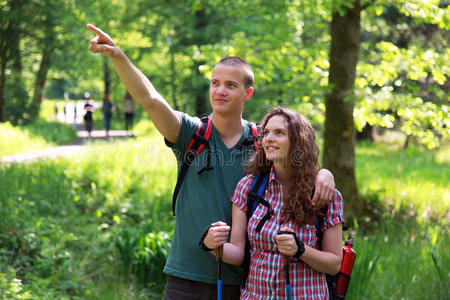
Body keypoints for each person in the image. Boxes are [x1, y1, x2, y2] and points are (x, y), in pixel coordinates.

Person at [87, 23, 336, 300]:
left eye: (231, 85)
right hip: (186, 276)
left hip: (245, 281)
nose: (220, 91)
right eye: (215, 83)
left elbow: (297, 169)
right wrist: (118, 56)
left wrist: (324, 173)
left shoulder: (263, 142)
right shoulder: (191, 134)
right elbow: (150, 100)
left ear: (247, 93)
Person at [202, 107, 344, 299]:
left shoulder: (324, 194)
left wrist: (300, 250)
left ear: (299, 141)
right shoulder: (248, 188)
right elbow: (238, 253)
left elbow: (334, 264)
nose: (269, 138)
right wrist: (211, 245)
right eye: (266, 133)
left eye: (279, 133)